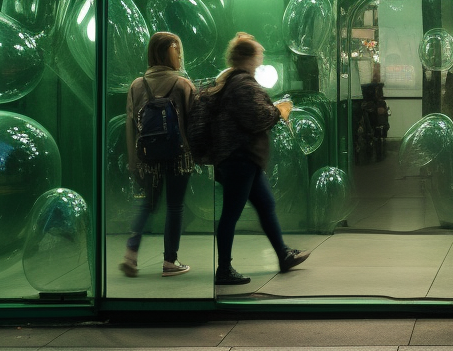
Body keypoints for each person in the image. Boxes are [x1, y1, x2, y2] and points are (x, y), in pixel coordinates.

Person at [208, 32, 311, 286]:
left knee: (265, 205)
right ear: (247, 57)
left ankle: (283, 254)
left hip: (245, 160)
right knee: (231, 213)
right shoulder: (243, 84)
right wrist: (279, 110)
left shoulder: (234, 81)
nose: (262, 56)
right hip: (240, 159)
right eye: (258, 53)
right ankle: (223, 269)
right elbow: (256, 118)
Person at [119, 32, 196, 279]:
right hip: (179, 156)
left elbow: (131, 126)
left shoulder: (136, 85)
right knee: (174, 206)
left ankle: (130, 255)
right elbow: (194, 125)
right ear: (170, 53)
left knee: (146, 204)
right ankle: (169, 261)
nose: (180, 56)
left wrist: (133, 162)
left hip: (147, 157)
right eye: (178, 51)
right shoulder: (183, 84)